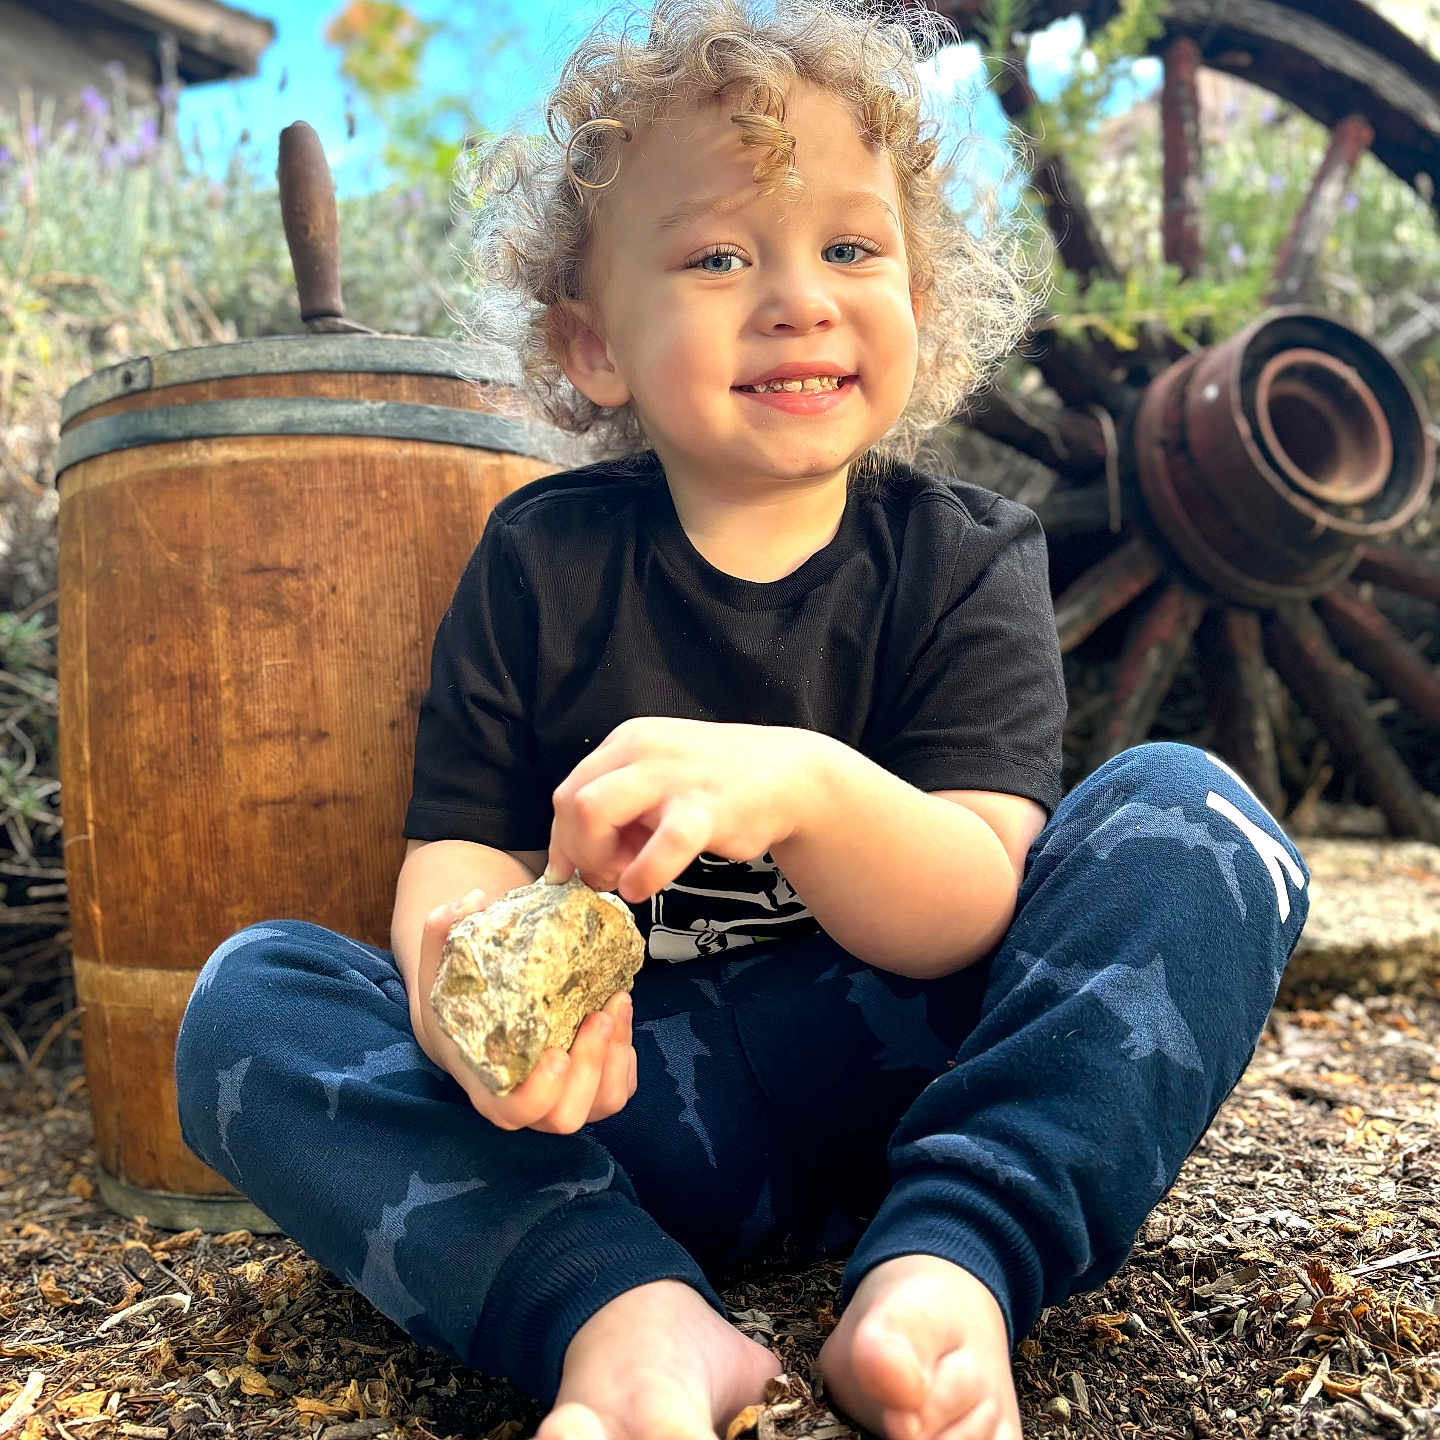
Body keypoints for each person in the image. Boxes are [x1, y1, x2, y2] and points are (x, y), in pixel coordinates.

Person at [174, 1, 1311, 1437]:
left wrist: (807, 788)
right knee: (248, 1002)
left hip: (930, 1072)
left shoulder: (966, 558)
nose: (798, 297)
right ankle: (623, 1317)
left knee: (1200, 819)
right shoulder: (542, 559)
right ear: (594, 342)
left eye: (851, 247)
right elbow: (454, 850)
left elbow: (971, 901)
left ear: (921, 297)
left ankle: (949, 1272)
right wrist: (465, 982)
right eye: (719, 255)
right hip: (633, 1109)